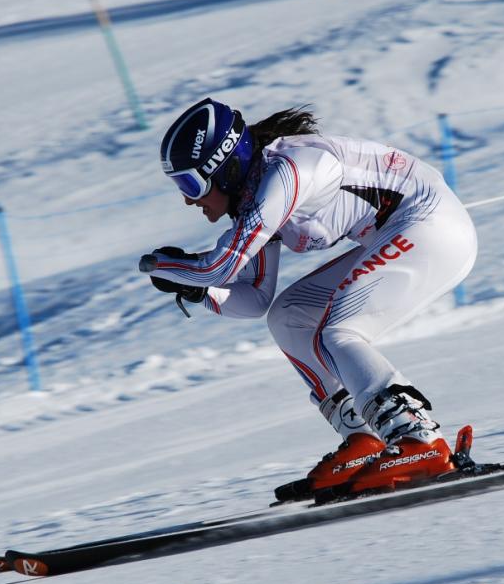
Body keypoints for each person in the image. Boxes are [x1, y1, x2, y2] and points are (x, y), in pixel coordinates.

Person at [140, 98, 478, 497]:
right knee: (289, 315)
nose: (188, 199)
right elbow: (255, 300)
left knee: (340, 332)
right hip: (403, 234)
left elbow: (220, 266)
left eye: (191, 184)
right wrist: (195, 289)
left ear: (226, 168)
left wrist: (162, 266)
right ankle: (363, 437)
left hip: (433, 228)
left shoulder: (289, 172)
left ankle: (418, 439)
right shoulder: (254, 197)